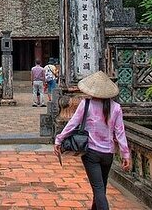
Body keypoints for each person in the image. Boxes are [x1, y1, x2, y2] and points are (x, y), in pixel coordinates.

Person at [53, 71, 132, 210]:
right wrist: (125, 154)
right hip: (108, 154)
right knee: (101, 187)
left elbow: (72, 124)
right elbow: (120, 132)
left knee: (98, 189)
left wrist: (59, 139)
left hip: (91, 153)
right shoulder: (116, 108)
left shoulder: (86, 104)